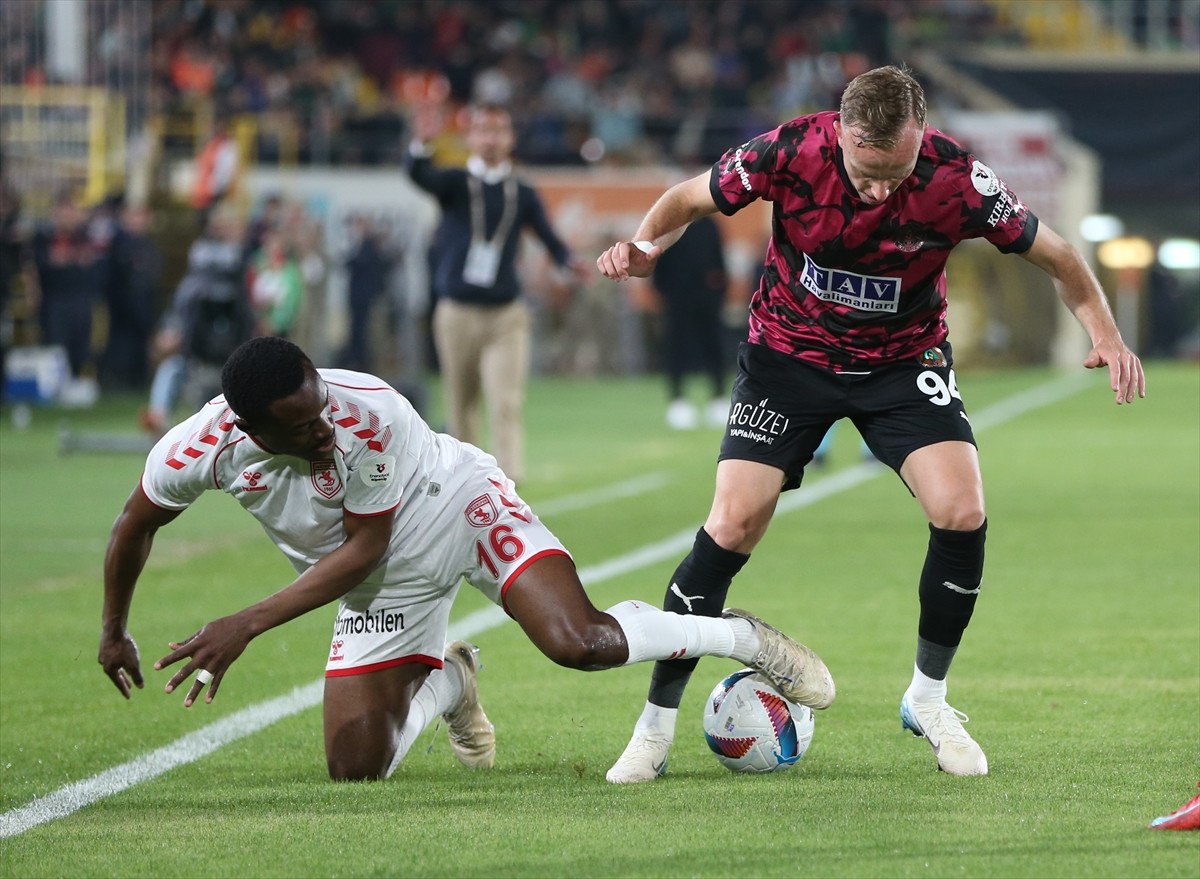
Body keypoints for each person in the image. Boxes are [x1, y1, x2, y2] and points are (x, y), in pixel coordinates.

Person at [596, 65, 1145, 783]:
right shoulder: (790, 150)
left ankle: (928, 699)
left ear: (921, 137)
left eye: (898, 172)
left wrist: (1106, 334)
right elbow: (687, 198)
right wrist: (646, 246)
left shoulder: (958, 179)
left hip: (901, 363)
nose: (883, 190)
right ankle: (654, 727)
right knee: (731, 524)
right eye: (867, 173)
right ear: (842, 135)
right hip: (789, 356)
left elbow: (1060, 256)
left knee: (962, 509)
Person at [98, 335, 835, 782]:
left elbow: (363, 547)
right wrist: (113, 629)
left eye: (321, 404)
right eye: (303, 425)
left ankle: (742, 637)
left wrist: (246, 623)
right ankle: (452, 682)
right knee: (355, 770)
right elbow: (134, 526)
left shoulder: (369, 410)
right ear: (254, 431)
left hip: (457, 508)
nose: (325, 427)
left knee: (580, 642)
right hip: (382, 584)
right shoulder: (197, 450)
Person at [406, 102, 585, 484]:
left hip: (506, 314)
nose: (490, 139)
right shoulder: (456, 183)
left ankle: (508, 486)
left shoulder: (521, 191)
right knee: (461, 404)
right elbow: (419, 175)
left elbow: (548, 236)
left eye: (498, 130)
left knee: (506, 401)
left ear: (510, 138)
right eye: (483, 130)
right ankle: (467, 487)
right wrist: (421, 144)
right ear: (471, 136)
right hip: (457, 311)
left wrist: (569, 261)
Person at [649, 214, 731, 431]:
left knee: (713, 347)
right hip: (677, 300)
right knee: (676, 349)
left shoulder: (709, 225)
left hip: (707, 300)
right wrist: (666, 293)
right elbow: (659, 261)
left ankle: (718, 398)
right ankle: (677, 400)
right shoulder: (670, 224)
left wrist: (718, 292)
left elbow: (719, 260)